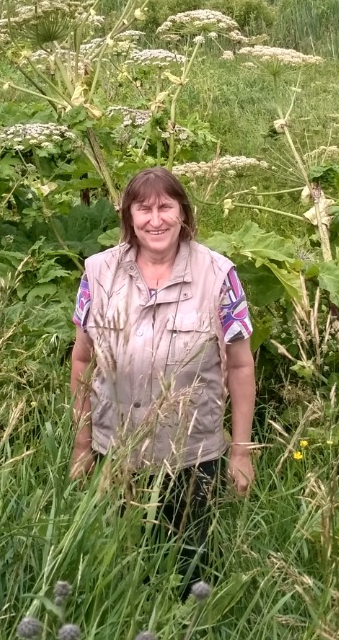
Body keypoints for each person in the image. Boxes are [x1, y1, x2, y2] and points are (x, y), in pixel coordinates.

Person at [68, 167, 257, 584]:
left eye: (166, 207)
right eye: (144, 209)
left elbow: (241, 366)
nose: (156, 220)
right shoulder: (98, 273)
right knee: (118, 574)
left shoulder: (219, 275)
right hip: (114, 454)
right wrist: (82, 446)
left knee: (191, 576)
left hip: (191, 459)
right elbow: (82, 360)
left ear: (183, 214)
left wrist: (241, 452)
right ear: (129, 218)